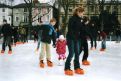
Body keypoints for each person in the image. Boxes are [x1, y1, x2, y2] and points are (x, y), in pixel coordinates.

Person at [64, 7, 85, 76]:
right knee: (71, 53)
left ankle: (77, 67)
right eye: (81, 12)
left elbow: (81, 30)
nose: (82, 14)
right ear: (78, 12)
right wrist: (74, 38)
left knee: (77, 53)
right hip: (70, 38)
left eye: (83, 12)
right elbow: (70, 29)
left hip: (77, 39)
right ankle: (67, 68)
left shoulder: (80, 20)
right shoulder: (72, 19)